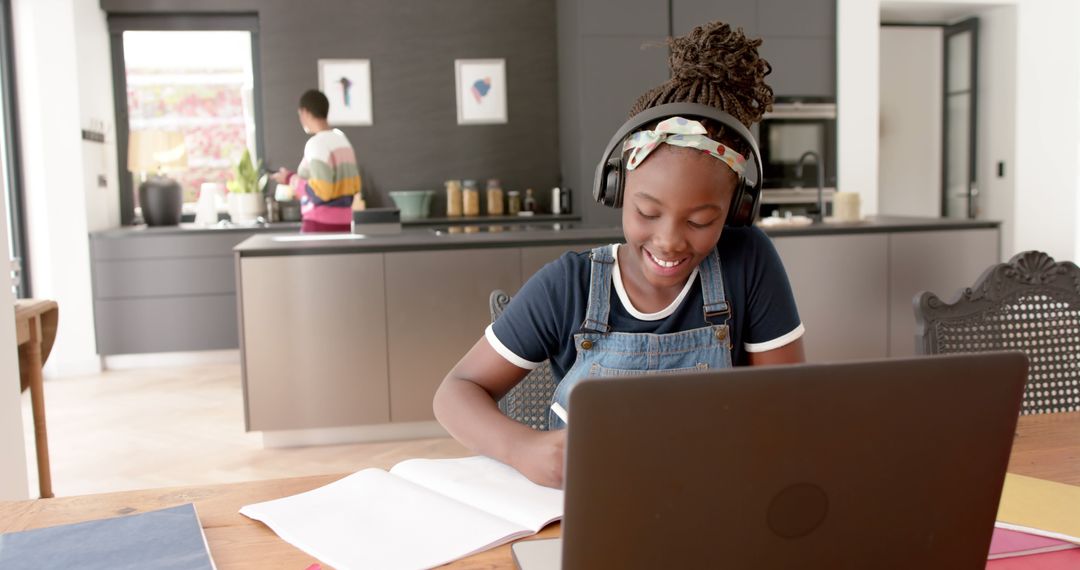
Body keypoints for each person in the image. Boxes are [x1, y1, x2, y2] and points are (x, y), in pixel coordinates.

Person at [433, 22, 806, 489]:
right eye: (647, 212)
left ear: (736, 210)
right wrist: (521, 447)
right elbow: (454, 393)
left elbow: (788, 406)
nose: (669, 241)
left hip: (716, 497)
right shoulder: (569, 285)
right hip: (591, 512)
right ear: (616, 189)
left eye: (699, 222)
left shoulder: (747, 263)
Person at [272, 89, 361, 233]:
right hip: (345, 224)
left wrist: (289, 178)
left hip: (319, 225)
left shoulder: (316, 143)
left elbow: (322, 192)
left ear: (305, 112)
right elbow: (355, 185)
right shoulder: (342, 139)